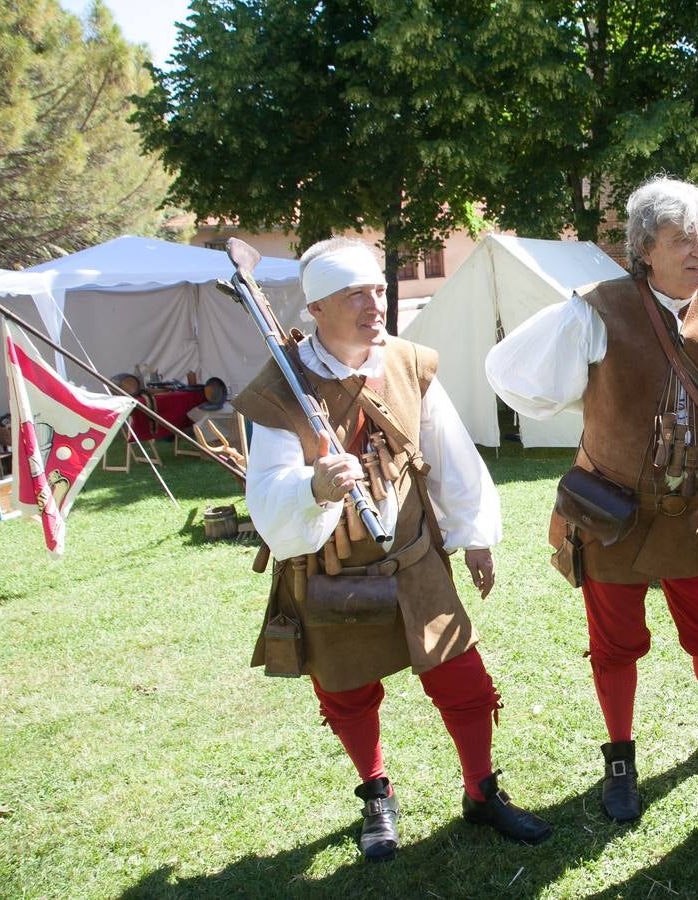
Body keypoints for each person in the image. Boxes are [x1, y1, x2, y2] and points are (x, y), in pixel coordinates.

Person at [235, 238, 551, 862]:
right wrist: (314, 486)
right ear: (317, 310)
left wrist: (476, 535)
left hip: (412, 558)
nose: (372, 304)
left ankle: (481, 791)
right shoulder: (280, 389)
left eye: (377, 290)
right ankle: (376, 793)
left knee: (464, 680)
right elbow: (267, 493)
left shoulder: (407, 363)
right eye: (354, 294)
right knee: (347, 692)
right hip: (331, 570)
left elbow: (451, 452)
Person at [485, 176, 698, 822]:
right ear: (645, 248)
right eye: (682, 238)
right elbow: (511, 373)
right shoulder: (598, 309)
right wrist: (582, 402)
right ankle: (620, 757)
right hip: (613, 514)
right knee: (615, 643)